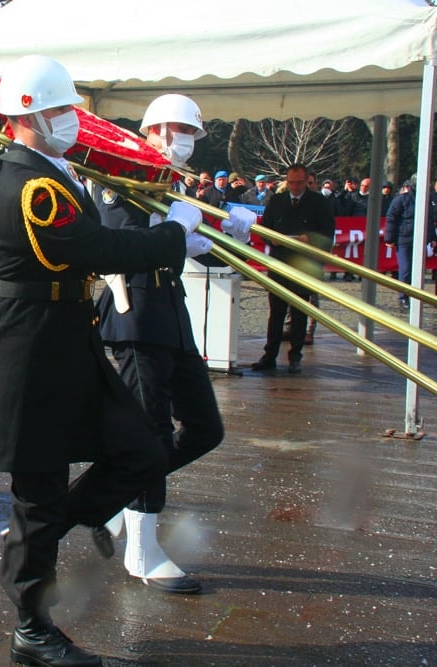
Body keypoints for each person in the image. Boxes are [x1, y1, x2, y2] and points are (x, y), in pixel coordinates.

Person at [0, 55, 202, 667]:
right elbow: (92, 247)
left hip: (66, 336)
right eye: (65, 110)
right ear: (33, 113)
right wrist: (172, 235)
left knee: (140, 448)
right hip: (31, 348)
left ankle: (49, 534)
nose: (74, 121)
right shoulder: (33, 184)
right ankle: (31, 628)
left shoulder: (50, 170)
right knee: (37, 490)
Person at [96, 93, 256, 595]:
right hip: (136, 314)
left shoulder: (173, 183)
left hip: (171, 314)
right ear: (156, 129)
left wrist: (230, 236)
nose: (185, 141)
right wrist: (177, 232)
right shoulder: (120, 174)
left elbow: (188, 247)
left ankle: (112, 495)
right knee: (152, 435)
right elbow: (120, 242)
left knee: (205, 428)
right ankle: (142, 553)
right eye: (178, 130)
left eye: (190, 133)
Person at [251, 163, 335, 374]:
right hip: (280, 261)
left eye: (299, 183)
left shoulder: (318, 203)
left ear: (307, 181)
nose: (295, 187)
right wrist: (272, 239)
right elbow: (264, 229)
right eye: (291, 183)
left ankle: (295, 356)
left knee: (299, 311)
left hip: (304, 264)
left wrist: (310, 239)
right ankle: (270, 355)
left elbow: (328, 233)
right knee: (276, 312)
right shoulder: (277, 201)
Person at [384, 180, 433, 310]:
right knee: (405, 270)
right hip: (404, 238)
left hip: (420, 239)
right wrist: (389, 238)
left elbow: (430, 219)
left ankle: (415, 296)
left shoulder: (426, 200)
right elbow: (391, 218)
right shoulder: (401, 199)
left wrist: (432, 237)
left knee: (417, 271)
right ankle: (403, 297)